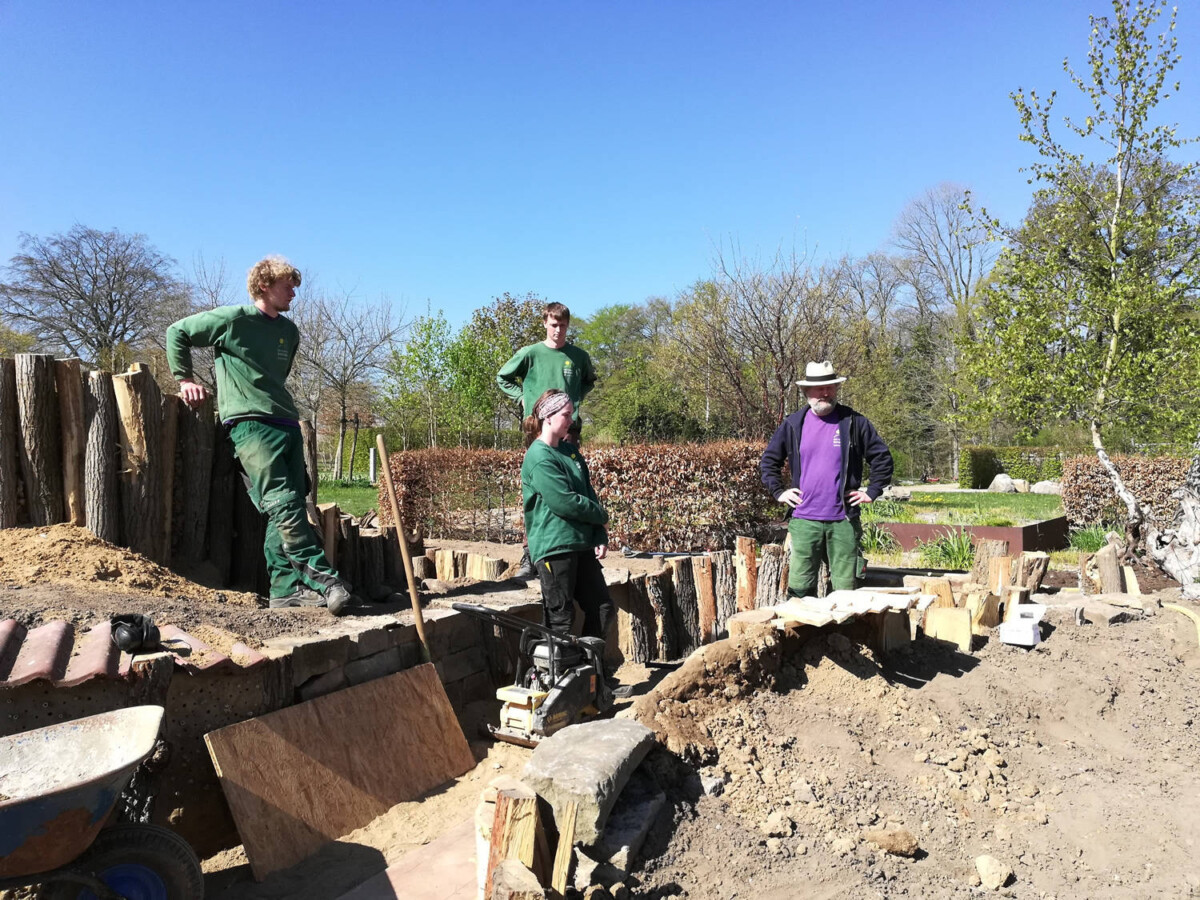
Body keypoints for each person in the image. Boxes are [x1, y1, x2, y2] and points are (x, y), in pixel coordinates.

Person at [166, 256, 354, 615]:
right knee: (282, 501)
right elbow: (178, 332)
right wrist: (185, 379)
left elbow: (275, 376)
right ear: (264, 285)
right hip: (250, 425)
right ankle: (324, 577)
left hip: (286, 422)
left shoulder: (290, 331)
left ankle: (284, 591)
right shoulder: (234, 319)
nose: (294, 294)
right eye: (288, 286)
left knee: (291, 503)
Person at [759, 360, 893, 598]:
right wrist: (779, 492)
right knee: (800, 588)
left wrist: (872, 491)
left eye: (830, 387)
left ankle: (845, 634)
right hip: (803, 519)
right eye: (819, 388)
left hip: (843, 519)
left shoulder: (854, 423)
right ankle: (806, 633)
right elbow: (769, 461)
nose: (826, 393)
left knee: (846, 588)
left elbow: (881, 457)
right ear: (806, 392)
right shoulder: (792, 424)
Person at [498, 302, 596, 576]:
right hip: (538, 431)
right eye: (554, 324)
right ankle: (531, 554)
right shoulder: (530, 354)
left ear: (568, 325)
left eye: (563, 325)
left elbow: (588, 380)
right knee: (539, 492)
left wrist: (572, 404)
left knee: (574, 486)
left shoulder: (578, 356)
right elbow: (503, 377)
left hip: (570, 431)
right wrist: (523, 398)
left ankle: (580, 549)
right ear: (545, 324)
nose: (558, 330)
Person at [520, 389, 613, 642]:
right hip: (554, 548)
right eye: (566, 414)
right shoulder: (538, 456)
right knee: (560, 619)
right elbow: (564, 502)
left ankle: (591, 677)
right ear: (547, 416)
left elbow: (587, 494)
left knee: (602, 609)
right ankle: (556, 678)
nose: (571, 420)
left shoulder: (571, 453)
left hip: (581, 545)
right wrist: (601, 516)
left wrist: (599, 534)